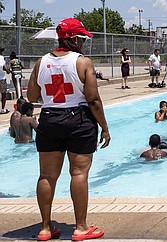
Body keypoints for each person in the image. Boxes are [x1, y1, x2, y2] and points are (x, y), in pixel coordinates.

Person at [27, 17, 110, 241]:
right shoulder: (83, 62)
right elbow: (93, 99)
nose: (83, 42)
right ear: (73, 39)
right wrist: (104, 127)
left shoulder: (41, 62)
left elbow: (32, 96)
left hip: (49, 118)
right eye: (82, 38)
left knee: (46, 175)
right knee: (79, 173)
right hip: (78, 119)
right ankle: (81, 228)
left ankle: (45, 228)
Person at [0, 47, 9, 114]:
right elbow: (3, 66)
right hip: (1, 79)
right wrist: (8, 70)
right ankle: (3, 109)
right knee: (3, 95)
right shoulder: (1, 58)